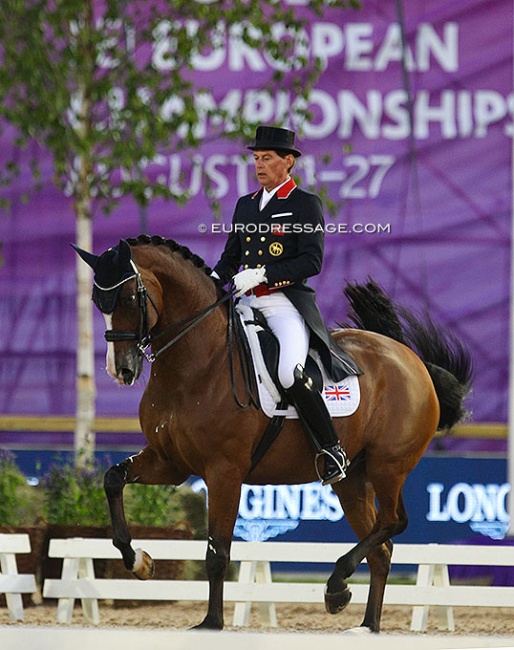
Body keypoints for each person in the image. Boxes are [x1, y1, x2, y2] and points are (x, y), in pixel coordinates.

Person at [212, 126, 360, 485]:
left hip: (284, 303)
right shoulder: (245, 205)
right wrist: (212, 283)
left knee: (288, 371)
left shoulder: (305, 204)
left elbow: (311, 261)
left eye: (267, 159)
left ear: (288, 162)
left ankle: (331, 448)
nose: (259, 165)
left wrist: (263, 274)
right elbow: (231, 258)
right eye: (256, 158)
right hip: (245, 302)